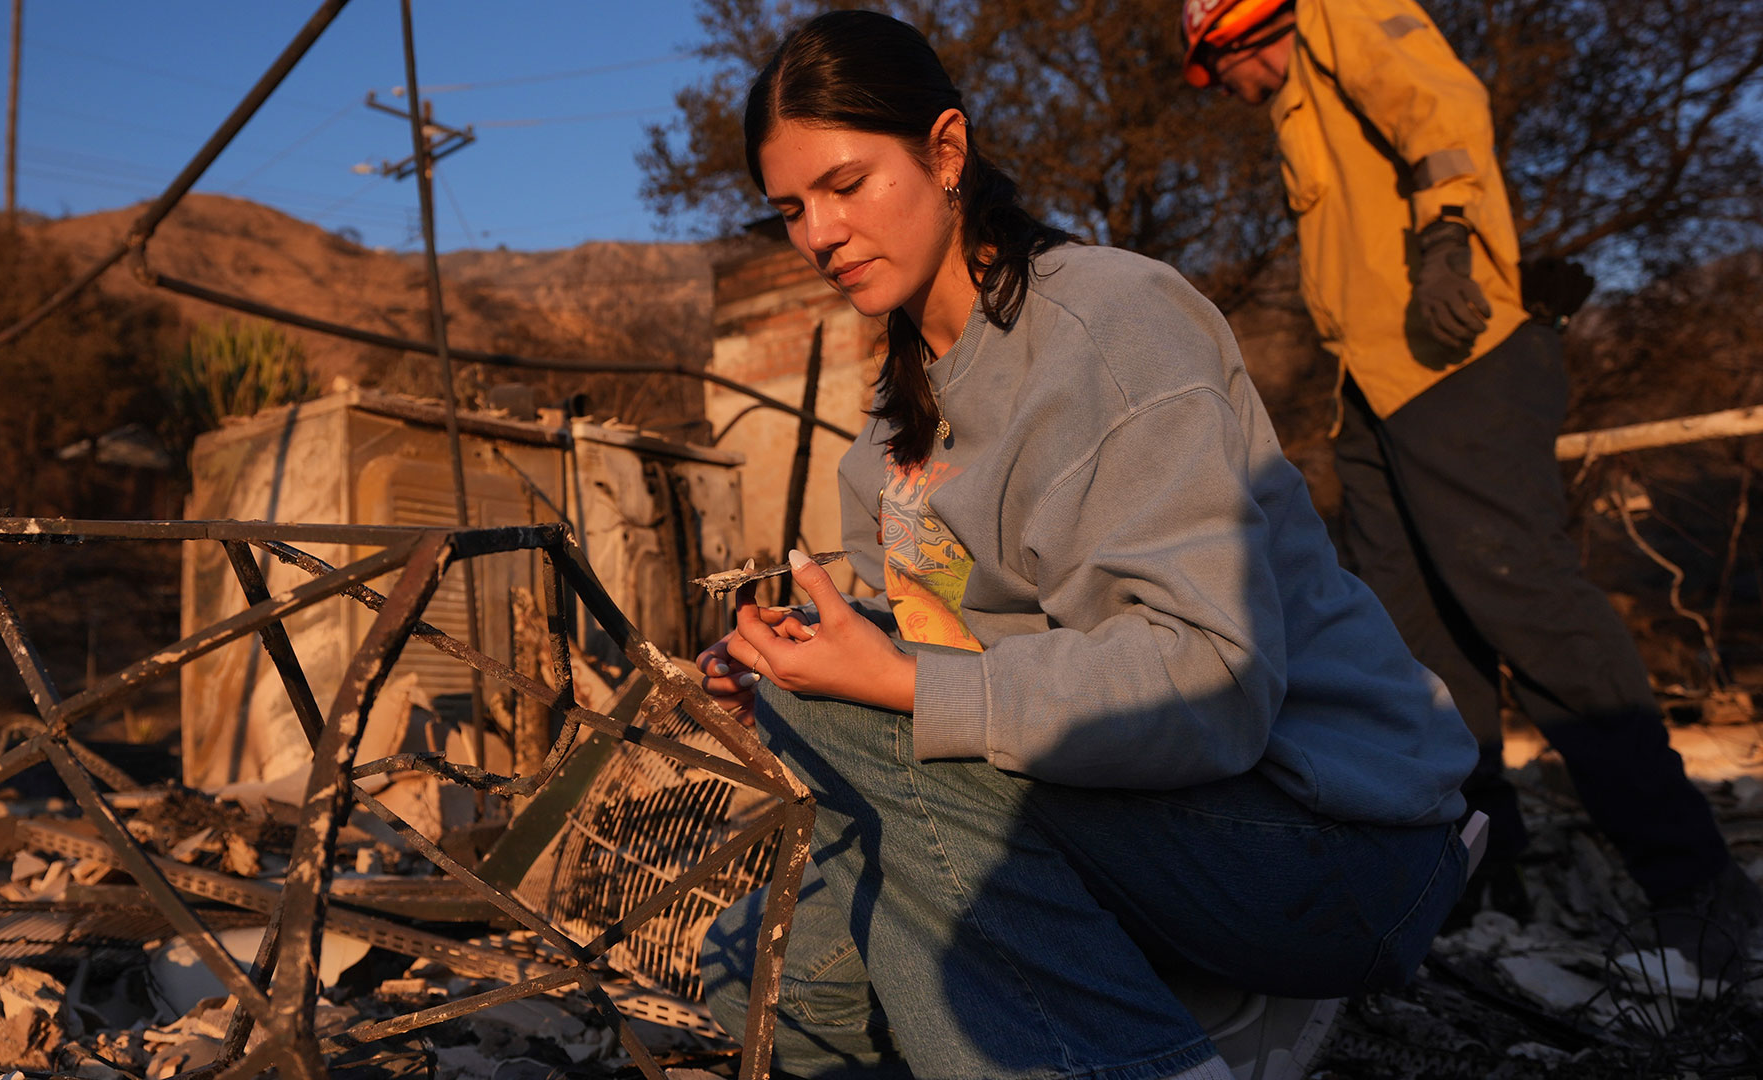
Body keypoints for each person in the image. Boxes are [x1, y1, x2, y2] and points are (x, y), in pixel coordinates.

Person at [694, 11, 1480, 1079]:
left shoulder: (1114, 326)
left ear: (946, 152)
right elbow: (912, 635)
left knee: (857, 725)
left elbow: (1212, 681)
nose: (818, 234)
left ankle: (1150, 1046)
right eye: (790, 208)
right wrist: (790, 657)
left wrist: (883, 683)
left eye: (847, 184)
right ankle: (1164, 1013)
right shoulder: (887, 438)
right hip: (1133, 825)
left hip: (1332, 838)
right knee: (756, 973)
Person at [1179, 0, 1763, 971]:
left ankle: (1697, 892)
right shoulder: (1297, 111)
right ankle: (1474, 884)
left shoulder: (1339, 14)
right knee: (1410, 643)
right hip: (1374, 390)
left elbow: (1441, 106)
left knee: (1522, 601)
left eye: (1215, 71)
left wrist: (1450, 235)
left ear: (1238, 32)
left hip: (1456, 360)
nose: (1226, 94)